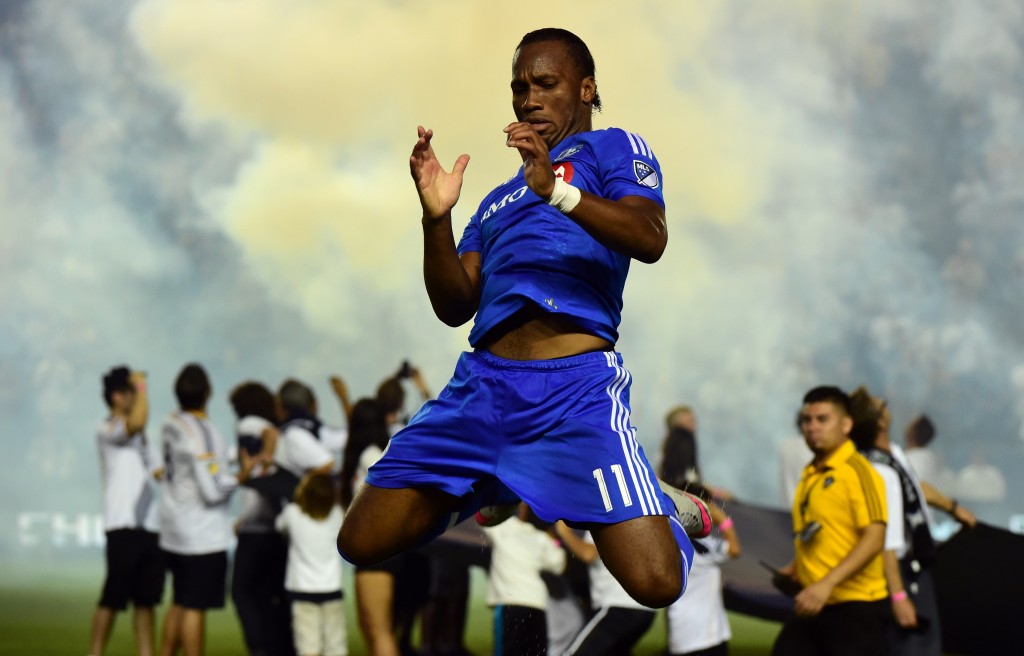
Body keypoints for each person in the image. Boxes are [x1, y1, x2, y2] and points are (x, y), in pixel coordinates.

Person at [337, 27, 710, 613]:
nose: (527, 98)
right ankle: (495, 479)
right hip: (481, 390)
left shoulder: (614, 149)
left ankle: (663, 508)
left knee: (657, 584)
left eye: (545, 83)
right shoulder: (495, 200)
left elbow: (650, 237)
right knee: (359, 540)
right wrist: (436, 218)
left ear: (586, 88)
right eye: (518, 87)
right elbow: (454, 305)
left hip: (573, 393)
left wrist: (557, 191)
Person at [771, 386, 889, 656]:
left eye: (822, 419)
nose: (812, 427)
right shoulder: (811, 472)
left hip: (855, 608)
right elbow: (826, 532)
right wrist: (796, 566)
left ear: (846, 424)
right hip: (814, 602)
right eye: (807, 420)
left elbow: (875, 538)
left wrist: (826, 584)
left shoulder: (859, 472)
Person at [158, 363, 255, 656]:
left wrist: (230, 459)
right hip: (200, 534)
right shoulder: (203, 431)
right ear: (208, 392)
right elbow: (213, 490)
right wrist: (242, 475)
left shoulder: (171, 422)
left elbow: (199, 464)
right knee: (194, 607)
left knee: (179, 600)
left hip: (173, 527)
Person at [88, 366, 164, 656]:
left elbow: (160, 473)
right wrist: (143, 386)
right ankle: (94, 652)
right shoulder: (107, 428)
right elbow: (137, 421)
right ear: (118, 397)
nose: (137, 397)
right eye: (132, 392)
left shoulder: (144, 437)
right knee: (112, 596)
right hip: (122, 523)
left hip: (150, 524)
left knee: (146, 600)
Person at [229, 381, 295, 656]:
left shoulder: (248, 424)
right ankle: (281, 647)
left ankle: (260, 648)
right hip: (277, 529)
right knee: (274, 596)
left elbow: (266, 433)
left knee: (242, 592)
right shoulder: (280, 429)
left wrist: (264, 455)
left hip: (256, 529)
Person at [339, 398, 403, 656]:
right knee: (371, 628)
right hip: (377, 550)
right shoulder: (374, 453)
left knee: (378, 630)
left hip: (378, 549)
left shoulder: (372, 456)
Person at [554, 523, 657, 655]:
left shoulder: (601, 517)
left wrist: (564, 532)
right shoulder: (628, 519)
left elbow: (588, 554)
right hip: (643, 609)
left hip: (619, 606)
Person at [276, 473, 348, 656]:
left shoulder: (292, 513)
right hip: (331, 588)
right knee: (336, 644)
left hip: (302, 591)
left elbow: (279, 526)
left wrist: (298, 495)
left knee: (308, 645)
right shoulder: (337, 514)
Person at [483, 503, 566, 656]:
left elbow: (483, 516)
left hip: (512, 604)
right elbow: (559, 563)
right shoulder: (542, 538)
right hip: (536, 605)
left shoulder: (504, 527)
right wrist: (555, 538)